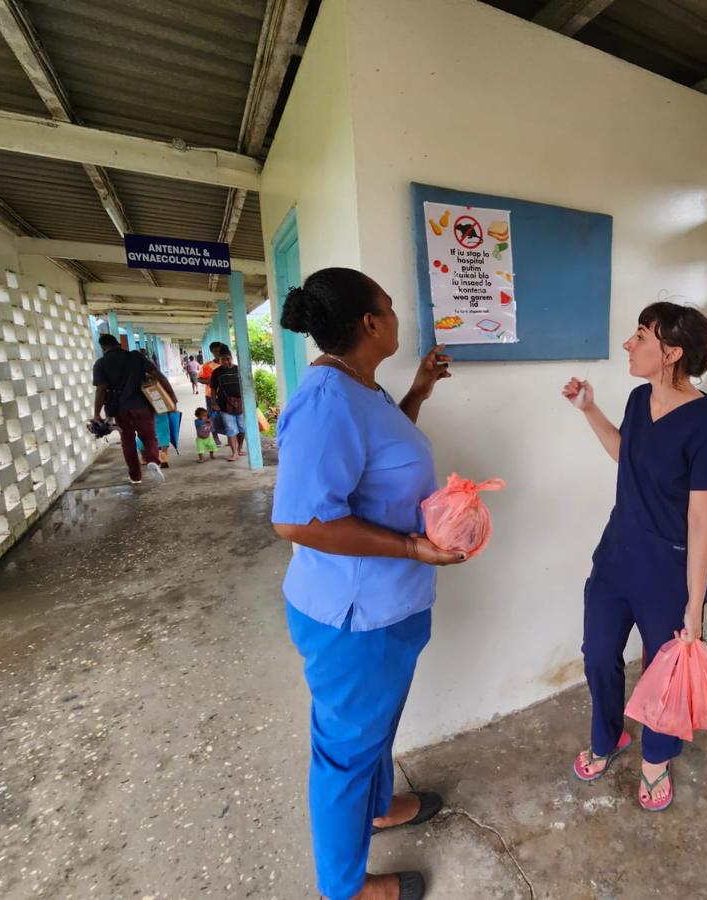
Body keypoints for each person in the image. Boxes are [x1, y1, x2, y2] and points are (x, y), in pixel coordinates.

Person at [271, 267, 460, 900]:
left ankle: (378, 810)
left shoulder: (362, 387)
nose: (395, 315)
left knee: (373, 731)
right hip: (354, 620)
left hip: (389, 609)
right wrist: (411, 545)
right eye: (387, 305)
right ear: (371, 325)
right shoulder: (326, 399)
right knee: (344, 757)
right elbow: (299, 519)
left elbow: (382, 454)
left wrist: (420, 390)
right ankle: (344, 888)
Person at [562, 301, 707, 813]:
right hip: (617, 558)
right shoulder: (639, 400)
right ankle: (609, 735)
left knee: (664, 675)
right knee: (597, 654)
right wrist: (590, 409)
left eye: (640, 336)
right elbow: (627, 455)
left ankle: (656, 758)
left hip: (669, 573)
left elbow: (703, 521)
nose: (628, 344)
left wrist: (693, 605)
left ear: (672, 352)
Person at [91, 333, 173, 485]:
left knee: (127, 442)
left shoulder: (101, 363)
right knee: (149, 437)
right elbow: (159, 376)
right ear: (118, 343)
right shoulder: (136, 357)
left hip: (119, 410)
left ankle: (135, 476)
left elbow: (101, 389)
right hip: (142, 405)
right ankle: (154, 461)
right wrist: (171, 397)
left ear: (103, 348)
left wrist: (97, 413)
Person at [210, 348, 248, 462]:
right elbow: (213, 389)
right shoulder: (216, 372)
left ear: (231, 358)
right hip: (224, 405)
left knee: (242, 428)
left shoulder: (239, 370)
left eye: (228, 359)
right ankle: (234, 452)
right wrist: (214, 403)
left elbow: (247, 384)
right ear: (219, 360)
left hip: (241, 404)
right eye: (223, 360)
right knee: (231, 429)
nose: (226, 362)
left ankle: (240, 448)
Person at [199, 342, 225, 445]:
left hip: (225, 395)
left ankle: (229, 437)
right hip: (211, 395)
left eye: (219, 351)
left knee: (226, 415)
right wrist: (212, 381)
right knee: (212, 416)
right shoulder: (207, 366)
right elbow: (199, 379)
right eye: (215, 351)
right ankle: (215, 437)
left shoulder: (226, 363)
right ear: (211, 352)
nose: (217, 353)